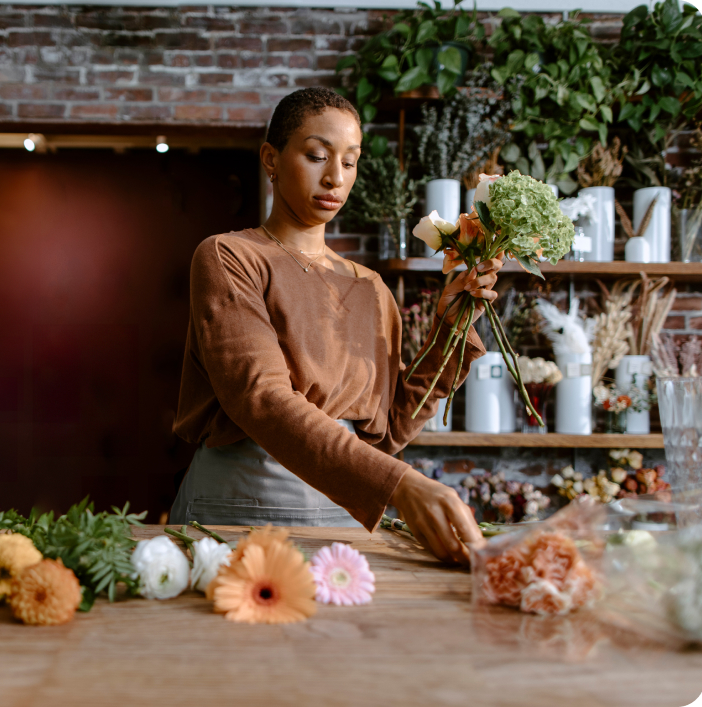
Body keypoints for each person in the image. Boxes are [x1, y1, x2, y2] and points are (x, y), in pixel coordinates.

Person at [170, 87, 502, 565]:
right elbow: (260, 399)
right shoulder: (229, 257)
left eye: (349, 162)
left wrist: (451, 327)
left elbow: (387, 433)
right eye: (317, 155)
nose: (334, 178)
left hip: (349, 508)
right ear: (271, 157)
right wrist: (398, 483)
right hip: (242, 502)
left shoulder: (371, 288)